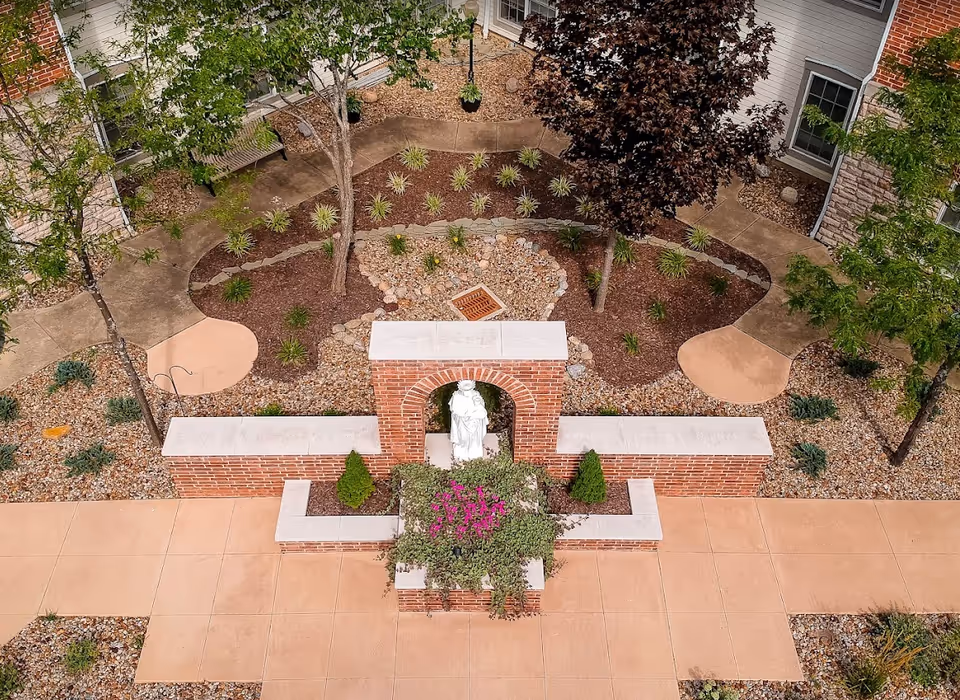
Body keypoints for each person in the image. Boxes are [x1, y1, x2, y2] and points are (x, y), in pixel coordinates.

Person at [448, 380, 488, 461]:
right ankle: (462, 453)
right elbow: (454, 410)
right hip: (462, 420)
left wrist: (477, 406)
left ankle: (474, 453)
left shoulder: (476, 395)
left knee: (475, 438)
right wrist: (464, 415)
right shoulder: (456, 396)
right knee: (463, 437)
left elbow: (482, 409)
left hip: (475, 420)